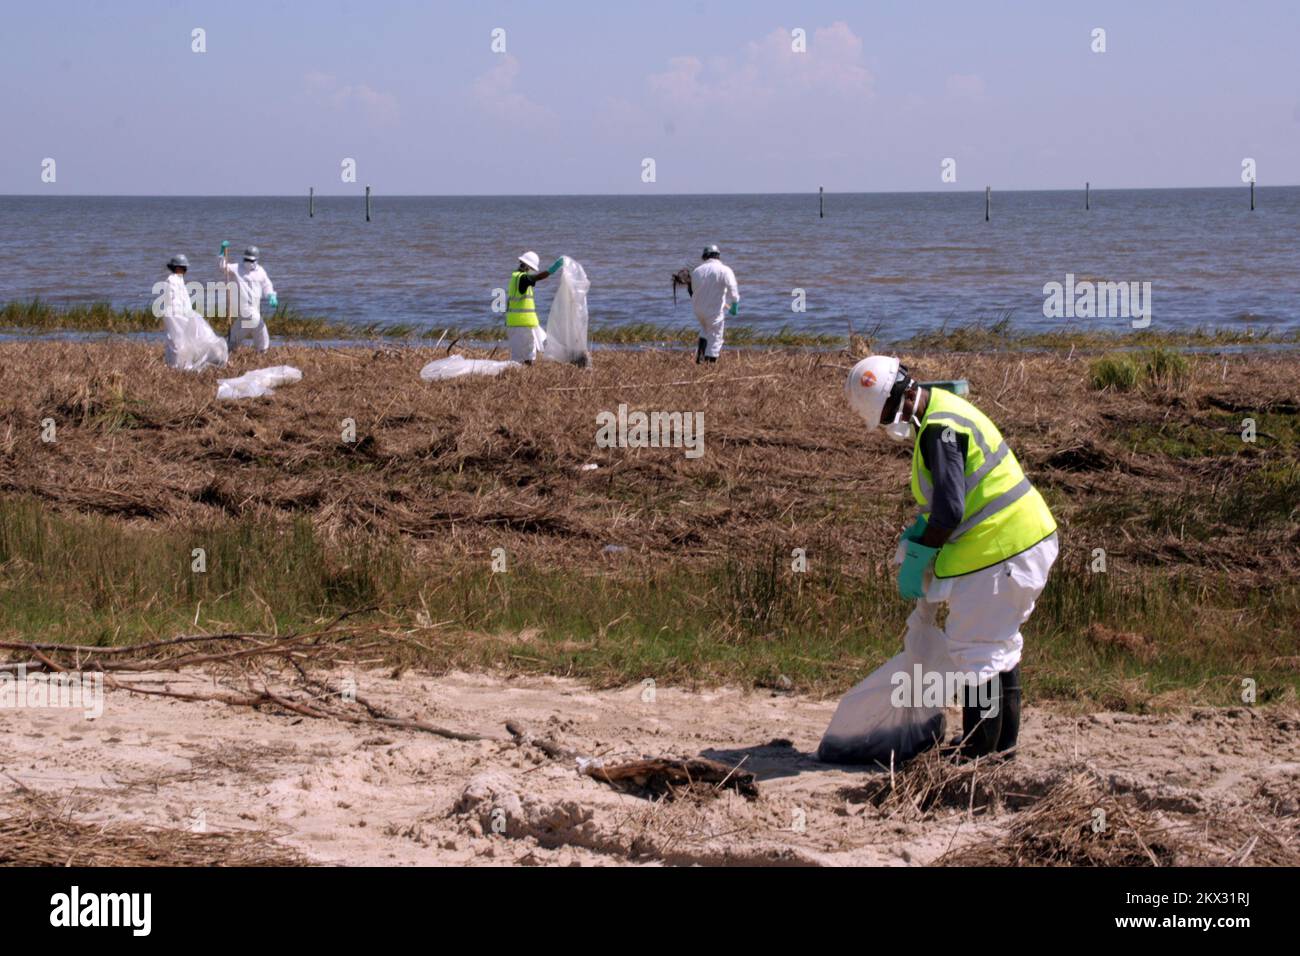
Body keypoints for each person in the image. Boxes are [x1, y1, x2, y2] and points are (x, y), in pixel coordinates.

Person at [837, 355, 1059, 761]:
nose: (887, 424)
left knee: (977, 655)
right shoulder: (942, 411)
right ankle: (1000, 751)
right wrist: (925, 530)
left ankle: (977, 754)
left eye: (886, 415)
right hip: (1023, 541)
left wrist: (923, 552)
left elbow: (951, 510)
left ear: (901, 397)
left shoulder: (939, 429)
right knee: (998, 648)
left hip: (1001, 549)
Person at [159, 254, 228, 371]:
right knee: (176, 342)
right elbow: (170, 301)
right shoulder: (171, 280)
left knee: (186, 341)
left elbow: (184, 300)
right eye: (184, 268)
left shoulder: (179, 280)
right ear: (177, 268)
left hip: (183, 316)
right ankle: (175, 366)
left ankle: (184, 365)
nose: (186, 270)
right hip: (175, 316)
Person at [218, 242, 277, 353]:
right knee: (258, 324)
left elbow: (266, 284)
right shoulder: (236, 268)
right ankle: (263, 349)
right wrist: (222, 253)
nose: (249, 263)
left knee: (243, 328)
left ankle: (227, 348)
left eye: (251, 260)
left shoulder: (260, 271)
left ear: (256, 260)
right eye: (247, 260)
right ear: (243, 258)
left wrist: (271, 295)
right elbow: (223, 267)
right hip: (242, 305)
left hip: (254, 306)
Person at [507, 251, 564, 364]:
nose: (532, 271)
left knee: (524, 353)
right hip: (521, 325)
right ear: (527, 266)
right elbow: (537, 277)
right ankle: (522, 377)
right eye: (532, 268)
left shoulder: (516, 277)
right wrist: (551, 270)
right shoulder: (522, 279)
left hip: (520, 323)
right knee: (525, 357)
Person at [687, 244, 738, 363]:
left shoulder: (697, 271)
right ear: (718, 256)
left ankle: (700, 360)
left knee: (705, 331)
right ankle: (710, 366)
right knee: (715, 337)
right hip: (714, 311)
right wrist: (734, 305)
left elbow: (693, 291)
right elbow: (733, 289)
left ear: (704, 257)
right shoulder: (725, 270)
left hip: (699, 311)